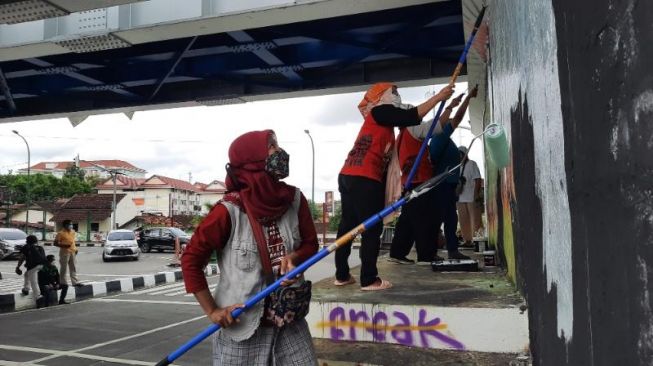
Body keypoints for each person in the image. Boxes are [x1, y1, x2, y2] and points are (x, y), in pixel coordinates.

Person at [181, 130, 319, 365]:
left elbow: (311, 245)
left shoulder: (295, 199)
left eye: (277, 144)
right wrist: (213, 311)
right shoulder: (228, 211)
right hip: (243, 331)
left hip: (291, 325)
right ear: (251, 160)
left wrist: (295, 257)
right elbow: (191, 260)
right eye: (271, 145)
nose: (279, 151)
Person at [335, 82, 455, 290]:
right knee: (371, 228)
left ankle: (342, 275)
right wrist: (438, 97)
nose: (398, 96)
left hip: (348, 175)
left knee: (349, 227)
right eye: (395, 92)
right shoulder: (380, 111)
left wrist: (447, 106)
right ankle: (369, 279)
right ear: (383, 96)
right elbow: (411, 117)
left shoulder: (379, 120)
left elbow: (411, 118)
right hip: (364, 177)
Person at [389, 93, 465, 265]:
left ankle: (398, 253)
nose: (419, 115)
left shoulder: (400, 136)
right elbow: (437, 126)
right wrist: (450, 107)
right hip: (420, 182)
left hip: (409, 184)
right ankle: (426, 255)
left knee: (407, 220)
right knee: (426, 220)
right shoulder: (412, 128)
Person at [428, 86, 478, 260]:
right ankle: (433, 251)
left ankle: (452, 250)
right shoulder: (440, 137)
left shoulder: (442, 138)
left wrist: (453, 103)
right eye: (444, 120)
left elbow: (452, 118)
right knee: (441, 219)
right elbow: (457, 118)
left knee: (450, 219)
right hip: (441, 185)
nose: (448, 121)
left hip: (447, 186)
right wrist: (467, 99)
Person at [456, 146, 483, 247]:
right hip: (460, 198)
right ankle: (467, 241)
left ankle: (476, 241)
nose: (459, 156)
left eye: (460, 154)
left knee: (475, 220)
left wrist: (476, 194)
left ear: (465, 154)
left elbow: (478, 179)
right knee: (463, 220)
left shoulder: (472, 164)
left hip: (471, 197)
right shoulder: (457, 166)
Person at [15, 235, 46, 307]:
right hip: (41, 265)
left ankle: (38, 297)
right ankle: (26, 289)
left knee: (34, 282)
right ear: (36, 241)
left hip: (32, 266)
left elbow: (22, 258)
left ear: (27, 241)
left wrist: (18, 267)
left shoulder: (26, 247)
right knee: (26, 274)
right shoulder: (40, 247)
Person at [54, 219, 83, 287]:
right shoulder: (60, 233)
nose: (71, 226)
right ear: (65, 225)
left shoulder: (73, 232)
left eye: (71, 224)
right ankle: (63, 282)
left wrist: (76, 249)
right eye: (70, 224)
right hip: (64, 252)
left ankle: (75, 282)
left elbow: (73, 241)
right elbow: (55, 243)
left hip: (72, 251)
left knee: (73, 267)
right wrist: (64, 245)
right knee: (64, 268)